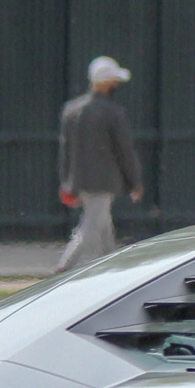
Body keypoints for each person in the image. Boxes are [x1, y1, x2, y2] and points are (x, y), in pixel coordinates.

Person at [57, 56, 143, 271]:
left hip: (79, 181)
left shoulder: (72, 110)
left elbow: (66, 151)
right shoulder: (113, 112)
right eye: (114, 80)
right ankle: (62, 270)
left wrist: (67, 183)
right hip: (104, 182)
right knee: (90, 229)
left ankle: (113, 269)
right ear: (107, 83)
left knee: (103, 227)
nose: (116, 85)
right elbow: (124, 151)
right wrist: (134, 182)